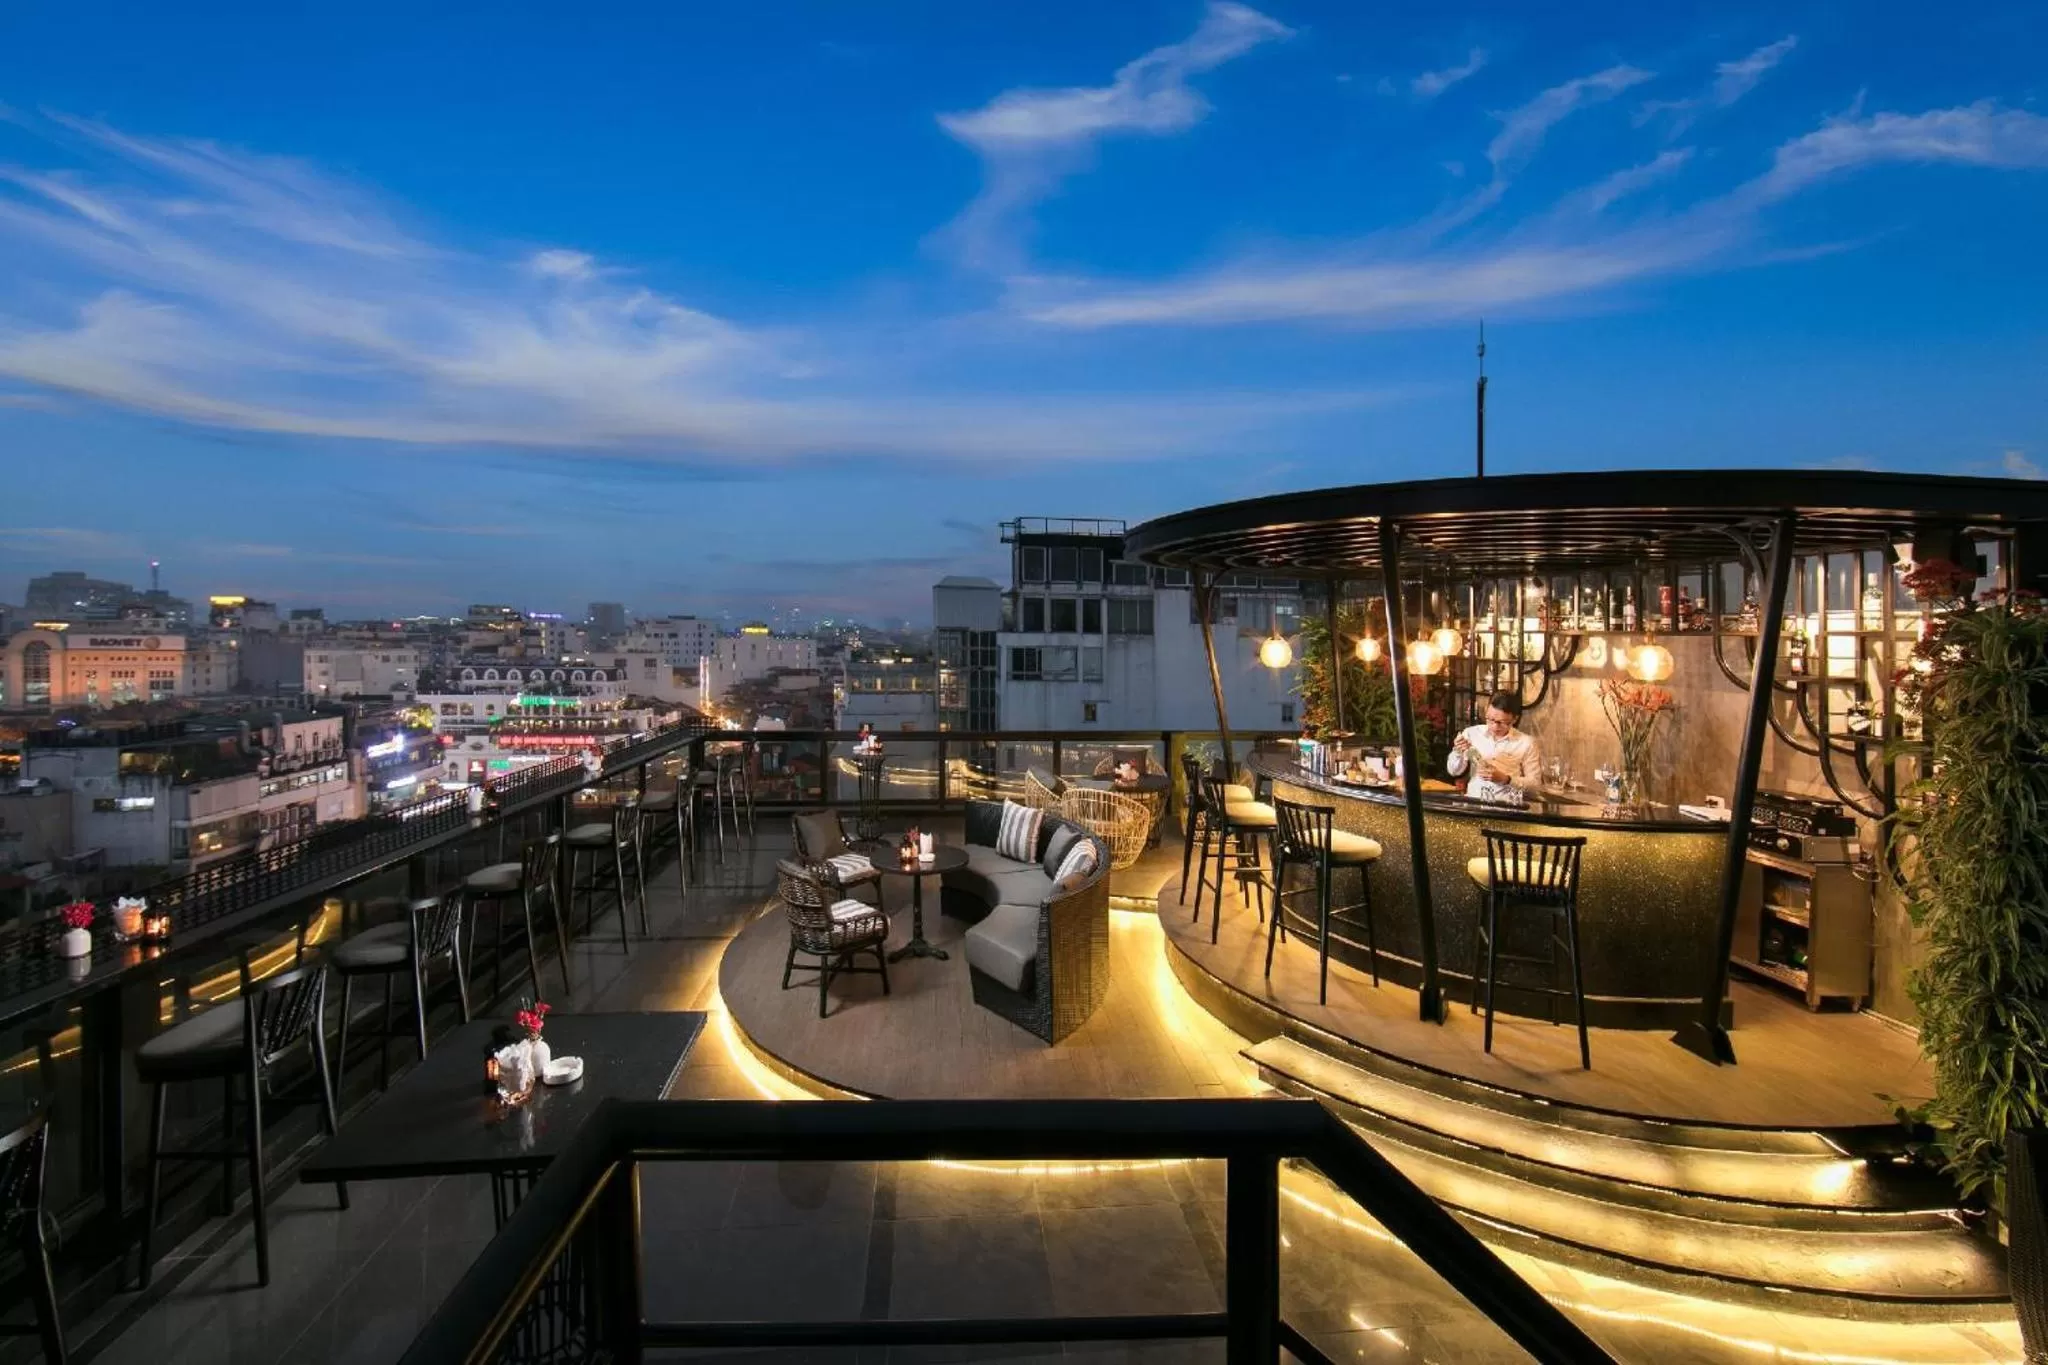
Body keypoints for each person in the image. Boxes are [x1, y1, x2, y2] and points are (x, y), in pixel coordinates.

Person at [1447, 691, 1542, 804]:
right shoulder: (1471, 733)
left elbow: (1535, 786)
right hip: (1474, 803)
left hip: (1507, 807)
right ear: (1486, 710)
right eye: (1490, 719)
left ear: (1515, 719)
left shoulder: (1526, 742)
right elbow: (1454, 771)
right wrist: (1458, 751)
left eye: (1502, 722)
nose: (1495, 726)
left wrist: (1506, 779)